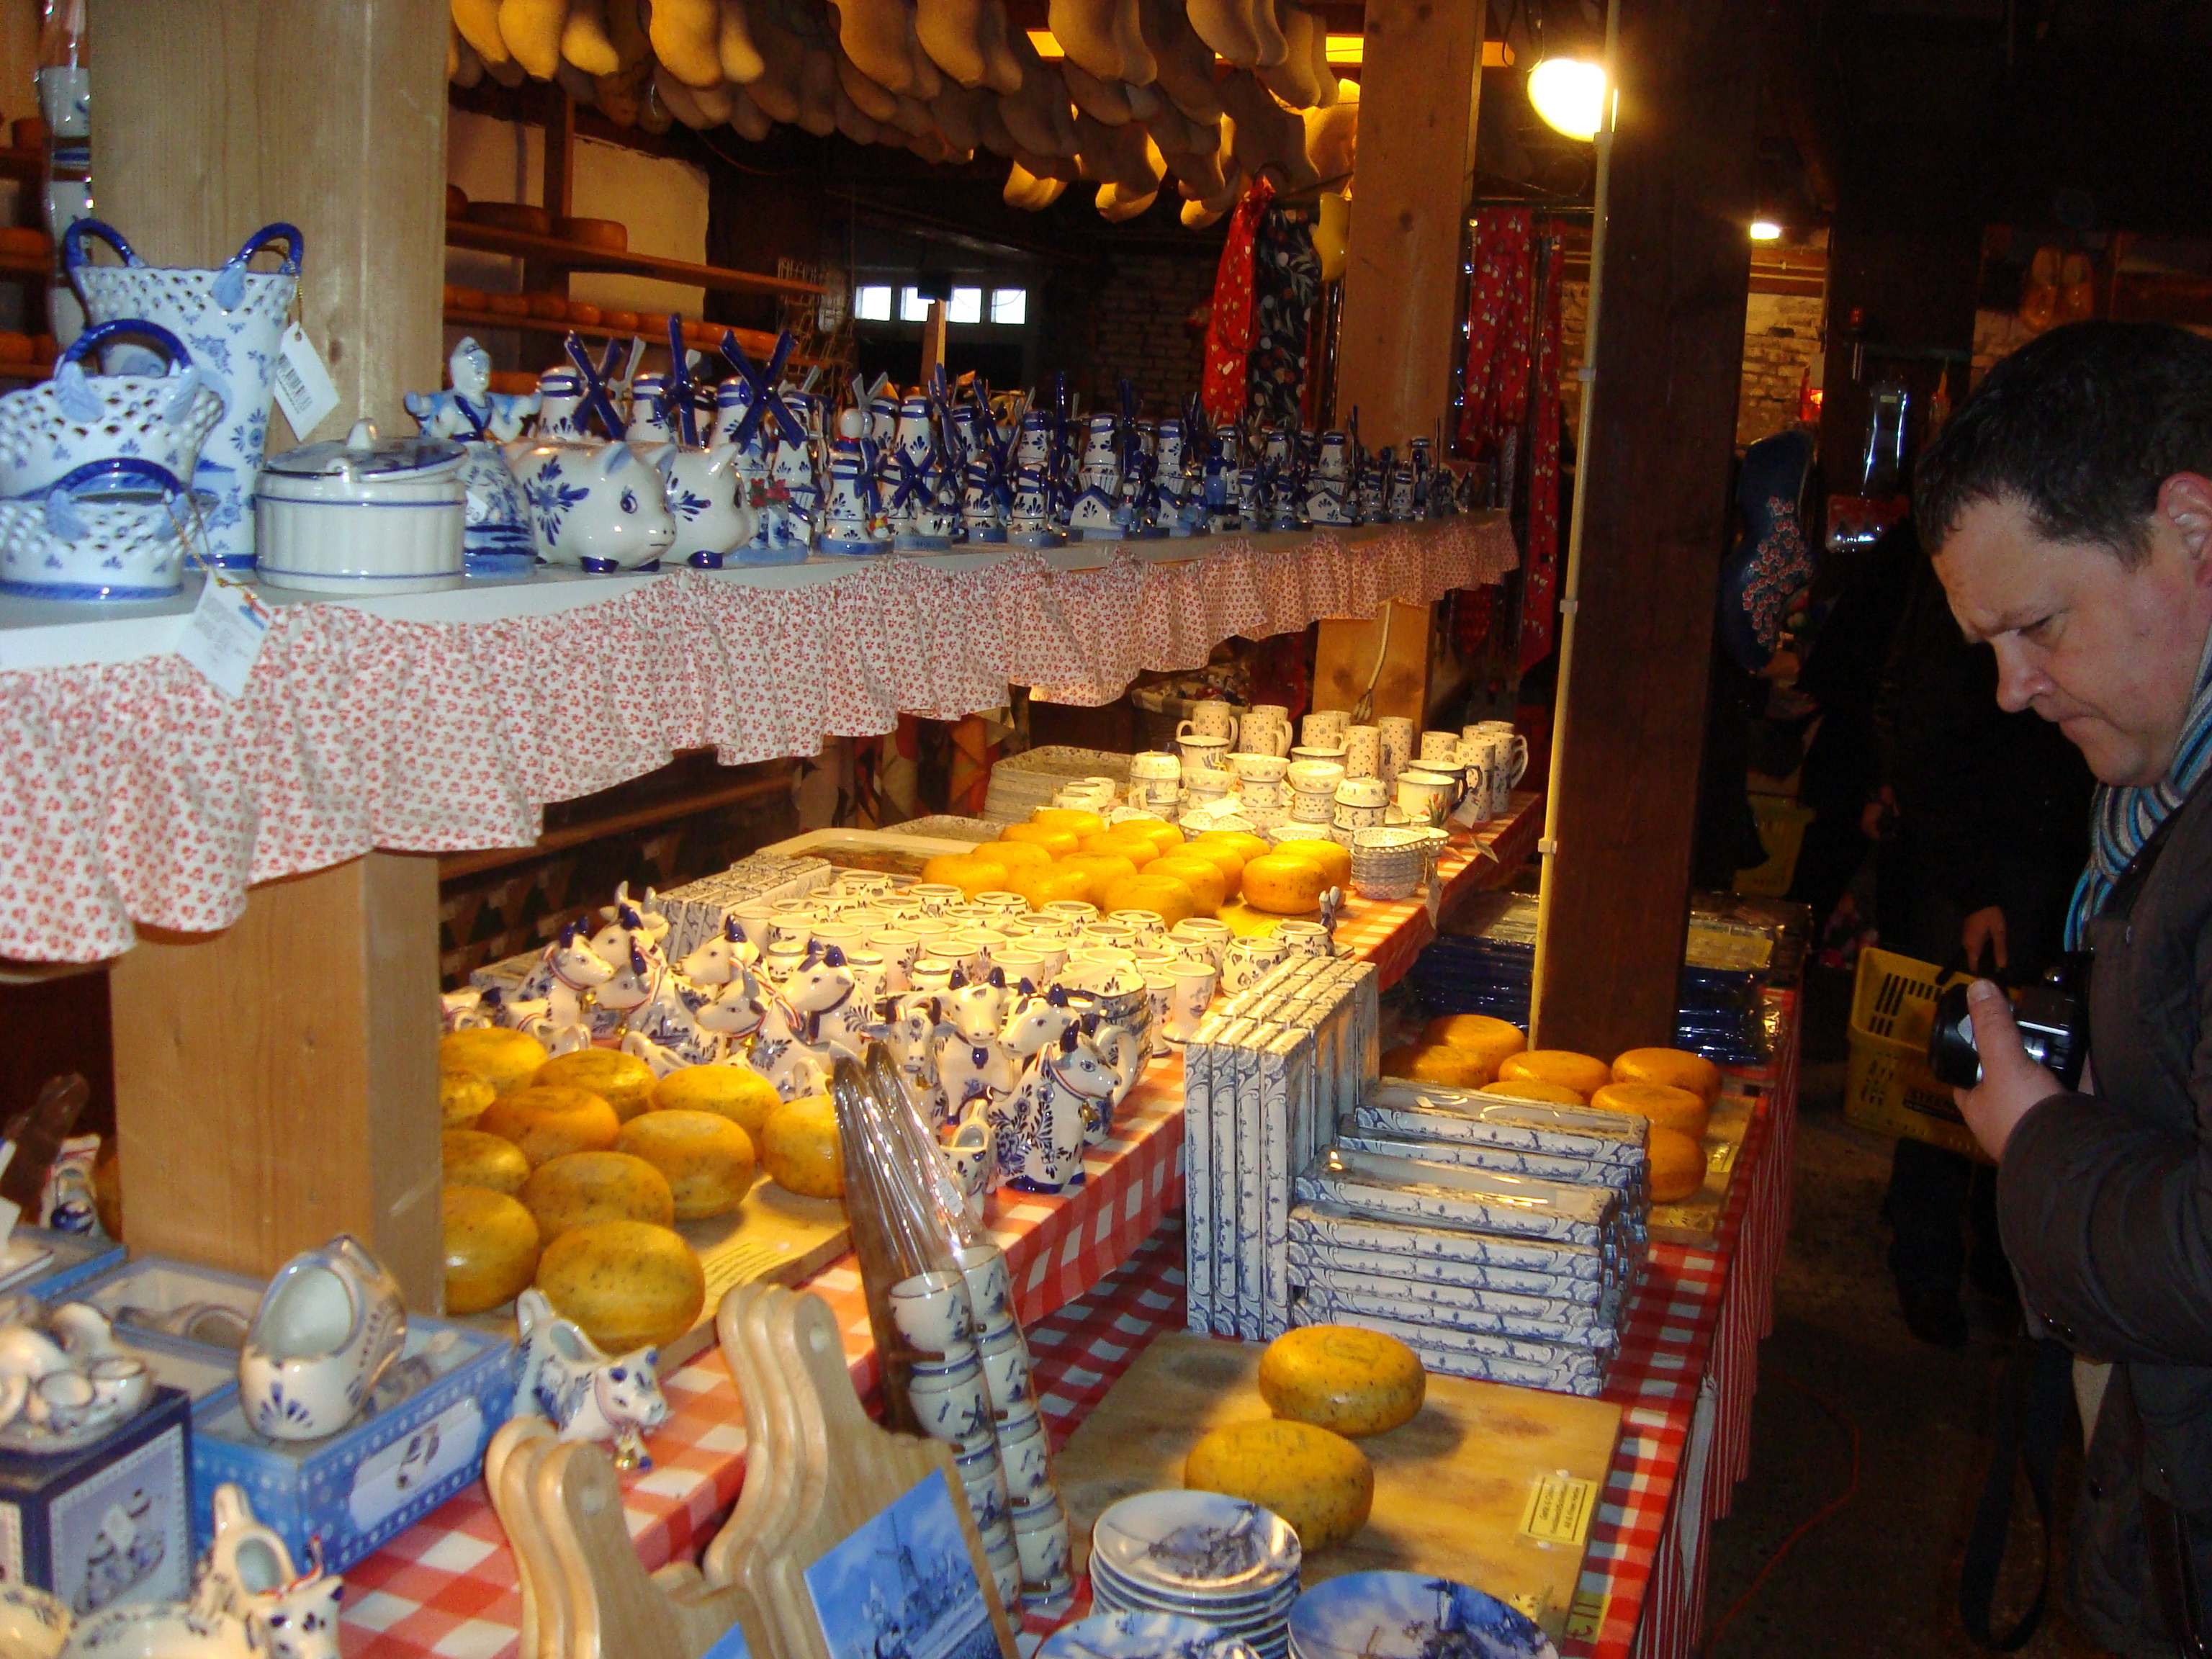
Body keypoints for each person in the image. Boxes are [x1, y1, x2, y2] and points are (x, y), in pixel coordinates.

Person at [1916, 319, 2212, 1655]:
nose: (2012, 689)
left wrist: (2036, 1140)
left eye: (2037, 626)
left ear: (2190, 529)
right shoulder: (2162, 794)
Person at [1869, 539, 2094, 1347]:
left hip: (2054, 860)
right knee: (1958, 1064)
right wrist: (1971, 886)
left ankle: (2001, 1256)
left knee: (2037, 1059)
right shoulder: (1973, 565)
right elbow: (1930, 729)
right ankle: (1927, 1263)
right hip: (1987, 867)